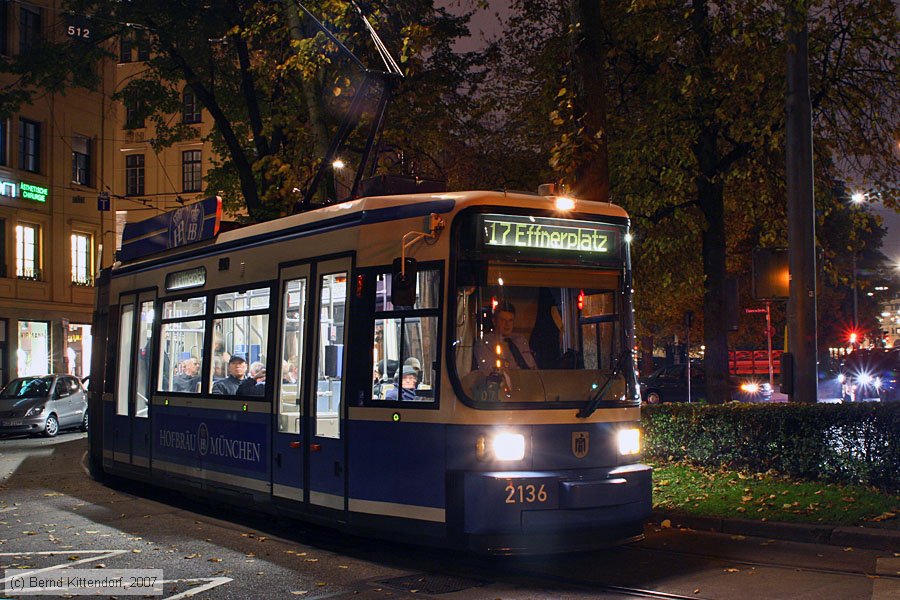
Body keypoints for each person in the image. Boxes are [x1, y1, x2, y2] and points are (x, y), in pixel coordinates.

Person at [476, 301, 538, 371]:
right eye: (503, 320)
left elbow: (532, 366)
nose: (507, 324)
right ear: (494, 321)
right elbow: (490, 370)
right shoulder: (486, 342)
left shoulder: (520, 340)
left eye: (510, 320)